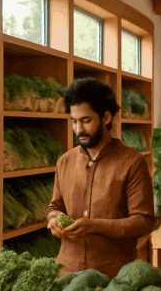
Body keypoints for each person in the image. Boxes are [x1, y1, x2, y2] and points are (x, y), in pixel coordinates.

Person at [47, 78, 154, 278]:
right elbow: (55, 206)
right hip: (66, 275)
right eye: (74, 121)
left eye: (86, 121)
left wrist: (93, 225)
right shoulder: (64, 161)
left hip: (113, 280)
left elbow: (144, 221)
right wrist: (53, 220)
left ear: (106, 117)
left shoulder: (132, 162)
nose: (79, 130)